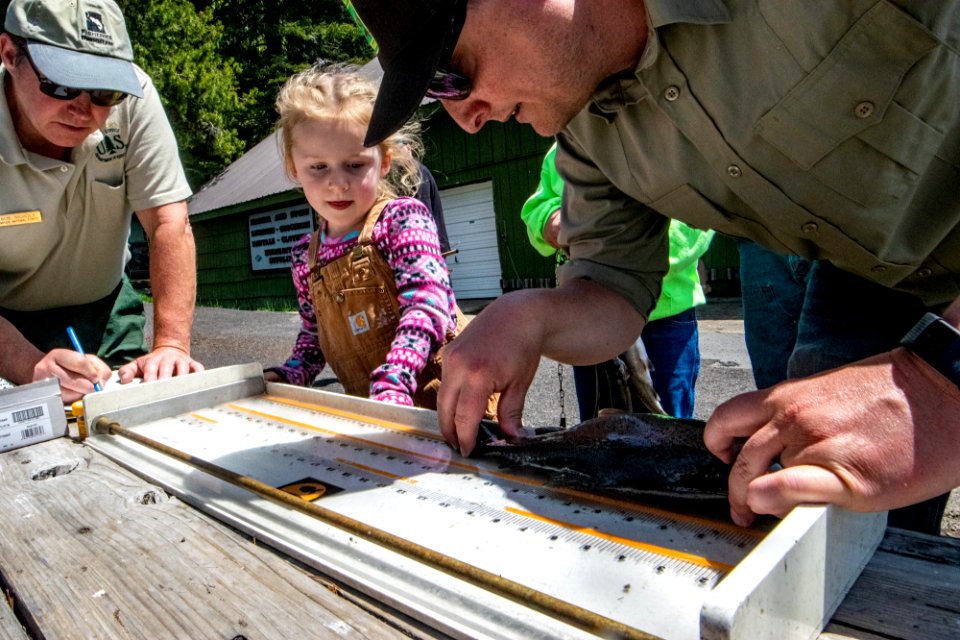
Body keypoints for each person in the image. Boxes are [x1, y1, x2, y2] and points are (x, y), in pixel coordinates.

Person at [350, 0, 960, 533]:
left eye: (452, 76)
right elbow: (611, 289)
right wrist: (530, 315)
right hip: (865, 279)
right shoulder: (589, 132)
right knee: (829, 523)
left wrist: (943, 379)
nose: (467, 117)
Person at [0, 0, 202, 404]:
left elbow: (168, 222)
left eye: (103, 91)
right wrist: (27, 365)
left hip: (105, 308)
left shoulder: (135, 96)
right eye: (60, 83)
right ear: (9, 54)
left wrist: (171, 346)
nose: (82, 109)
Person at [262, 65, 461, 410]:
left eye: (354, 165)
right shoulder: (303, 257)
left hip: (449, 407)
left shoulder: (402, 220)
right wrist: (289, 375)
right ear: (295, 168)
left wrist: (395, 379)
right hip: (373, 416)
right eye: (318, 167)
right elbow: (314, 339)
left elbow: (427, 305)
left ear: (383, 162)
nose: (337, 183)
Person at [522, 142, 713, 419]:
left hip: (663, 313)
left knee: (668, 422)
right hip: (587, 316)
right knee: (598, 421)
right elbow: (538, 205)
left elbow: (693, 217)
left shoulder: (660, 132)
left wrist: (620, 257)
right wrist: (548, 220)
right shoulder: (563, 149)